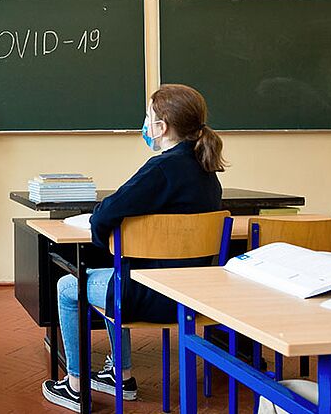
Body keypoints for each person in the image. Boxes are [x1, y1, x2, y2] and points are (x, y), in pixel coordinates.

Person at [42, 84, 228, 412]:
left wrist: (103, 238)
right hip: (195, 296)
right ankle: (119, 375)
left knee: (68, 286)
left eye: (148, 116)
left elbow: (108, 212)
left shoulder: (161, 168)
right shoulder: (207, 170)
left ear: (162, 126)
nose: (144, 123)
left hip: (149, 293)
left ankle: (74, 385)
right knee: (114, 275)